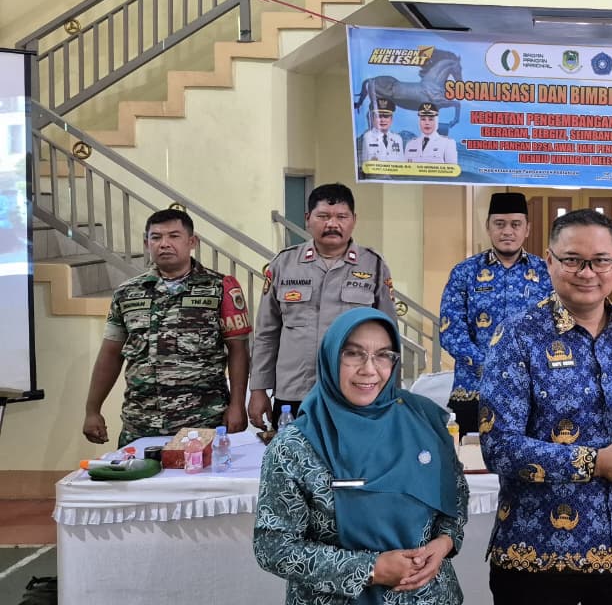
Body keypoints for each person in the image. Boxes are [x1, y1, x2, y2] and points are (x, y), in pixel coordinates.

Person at [480, 209, 612, 605]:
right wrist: (596, 463)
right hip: (538, 559)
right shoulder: (517, 335)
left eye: (600, 260)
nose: (587, 273)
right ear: (549, 260)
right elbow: (499, 447)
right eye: (573, 260)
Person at [254, 307, 468, 605]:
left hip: (429, 597)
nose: (369, 369)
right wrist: (370, 569)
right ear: (331, 357)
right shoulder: (296, 446)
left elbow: (455, 497)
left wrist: (444, 542)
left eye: (383, 355)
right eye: (353, 354)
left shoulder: (423, 421)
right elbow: (273, 546)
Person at [82, 209, 251, 447]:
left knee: (202, 474)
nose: (164, 244)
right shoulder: (127, 293)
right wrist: (92, 410)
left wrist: (237, 405)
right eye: (156, 237)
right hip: (141, 422)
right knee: (136, 473)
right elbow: (110, 354)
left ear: (192, 242)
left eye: (174, 236)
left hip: (202, 422)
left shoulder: (220, 288)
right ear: (146, 243)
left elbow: (238, 350)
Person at [251, 184, 397, 430]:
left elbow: (389, 338)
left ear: (354, 220)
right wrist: (258, 389)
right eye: (323, 216)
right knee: (292, 453)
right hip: (295, 391)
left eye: (341, 217)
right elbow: (267, 334)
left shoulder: (373, 266)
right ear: (308, 219)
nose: (332, 224)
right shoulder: (284, 264)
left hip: (355, 389)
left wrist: (390, 391)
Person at [439, 192, 551, 434]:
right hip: (474, 389)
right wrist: (489, 365)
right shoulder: (465, 272)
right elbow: (451, 332)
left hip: (532, 390)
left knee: (529, 455)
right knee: (469, 455)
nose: (507, 231)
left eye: (515, 224)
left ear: (527, 229)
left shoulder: (546, 273)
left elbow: (556, 328)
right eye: (499, 224)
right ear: (488, 227)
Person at [360, 98, 406, 162]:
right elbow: (365, 164)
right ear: (373, 118)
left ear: (391, 119)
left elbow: (402, 164)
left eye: (386, 116)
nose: (383, 120)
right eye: (379, 116)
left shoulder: (398, 139)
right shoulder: (367, 137)